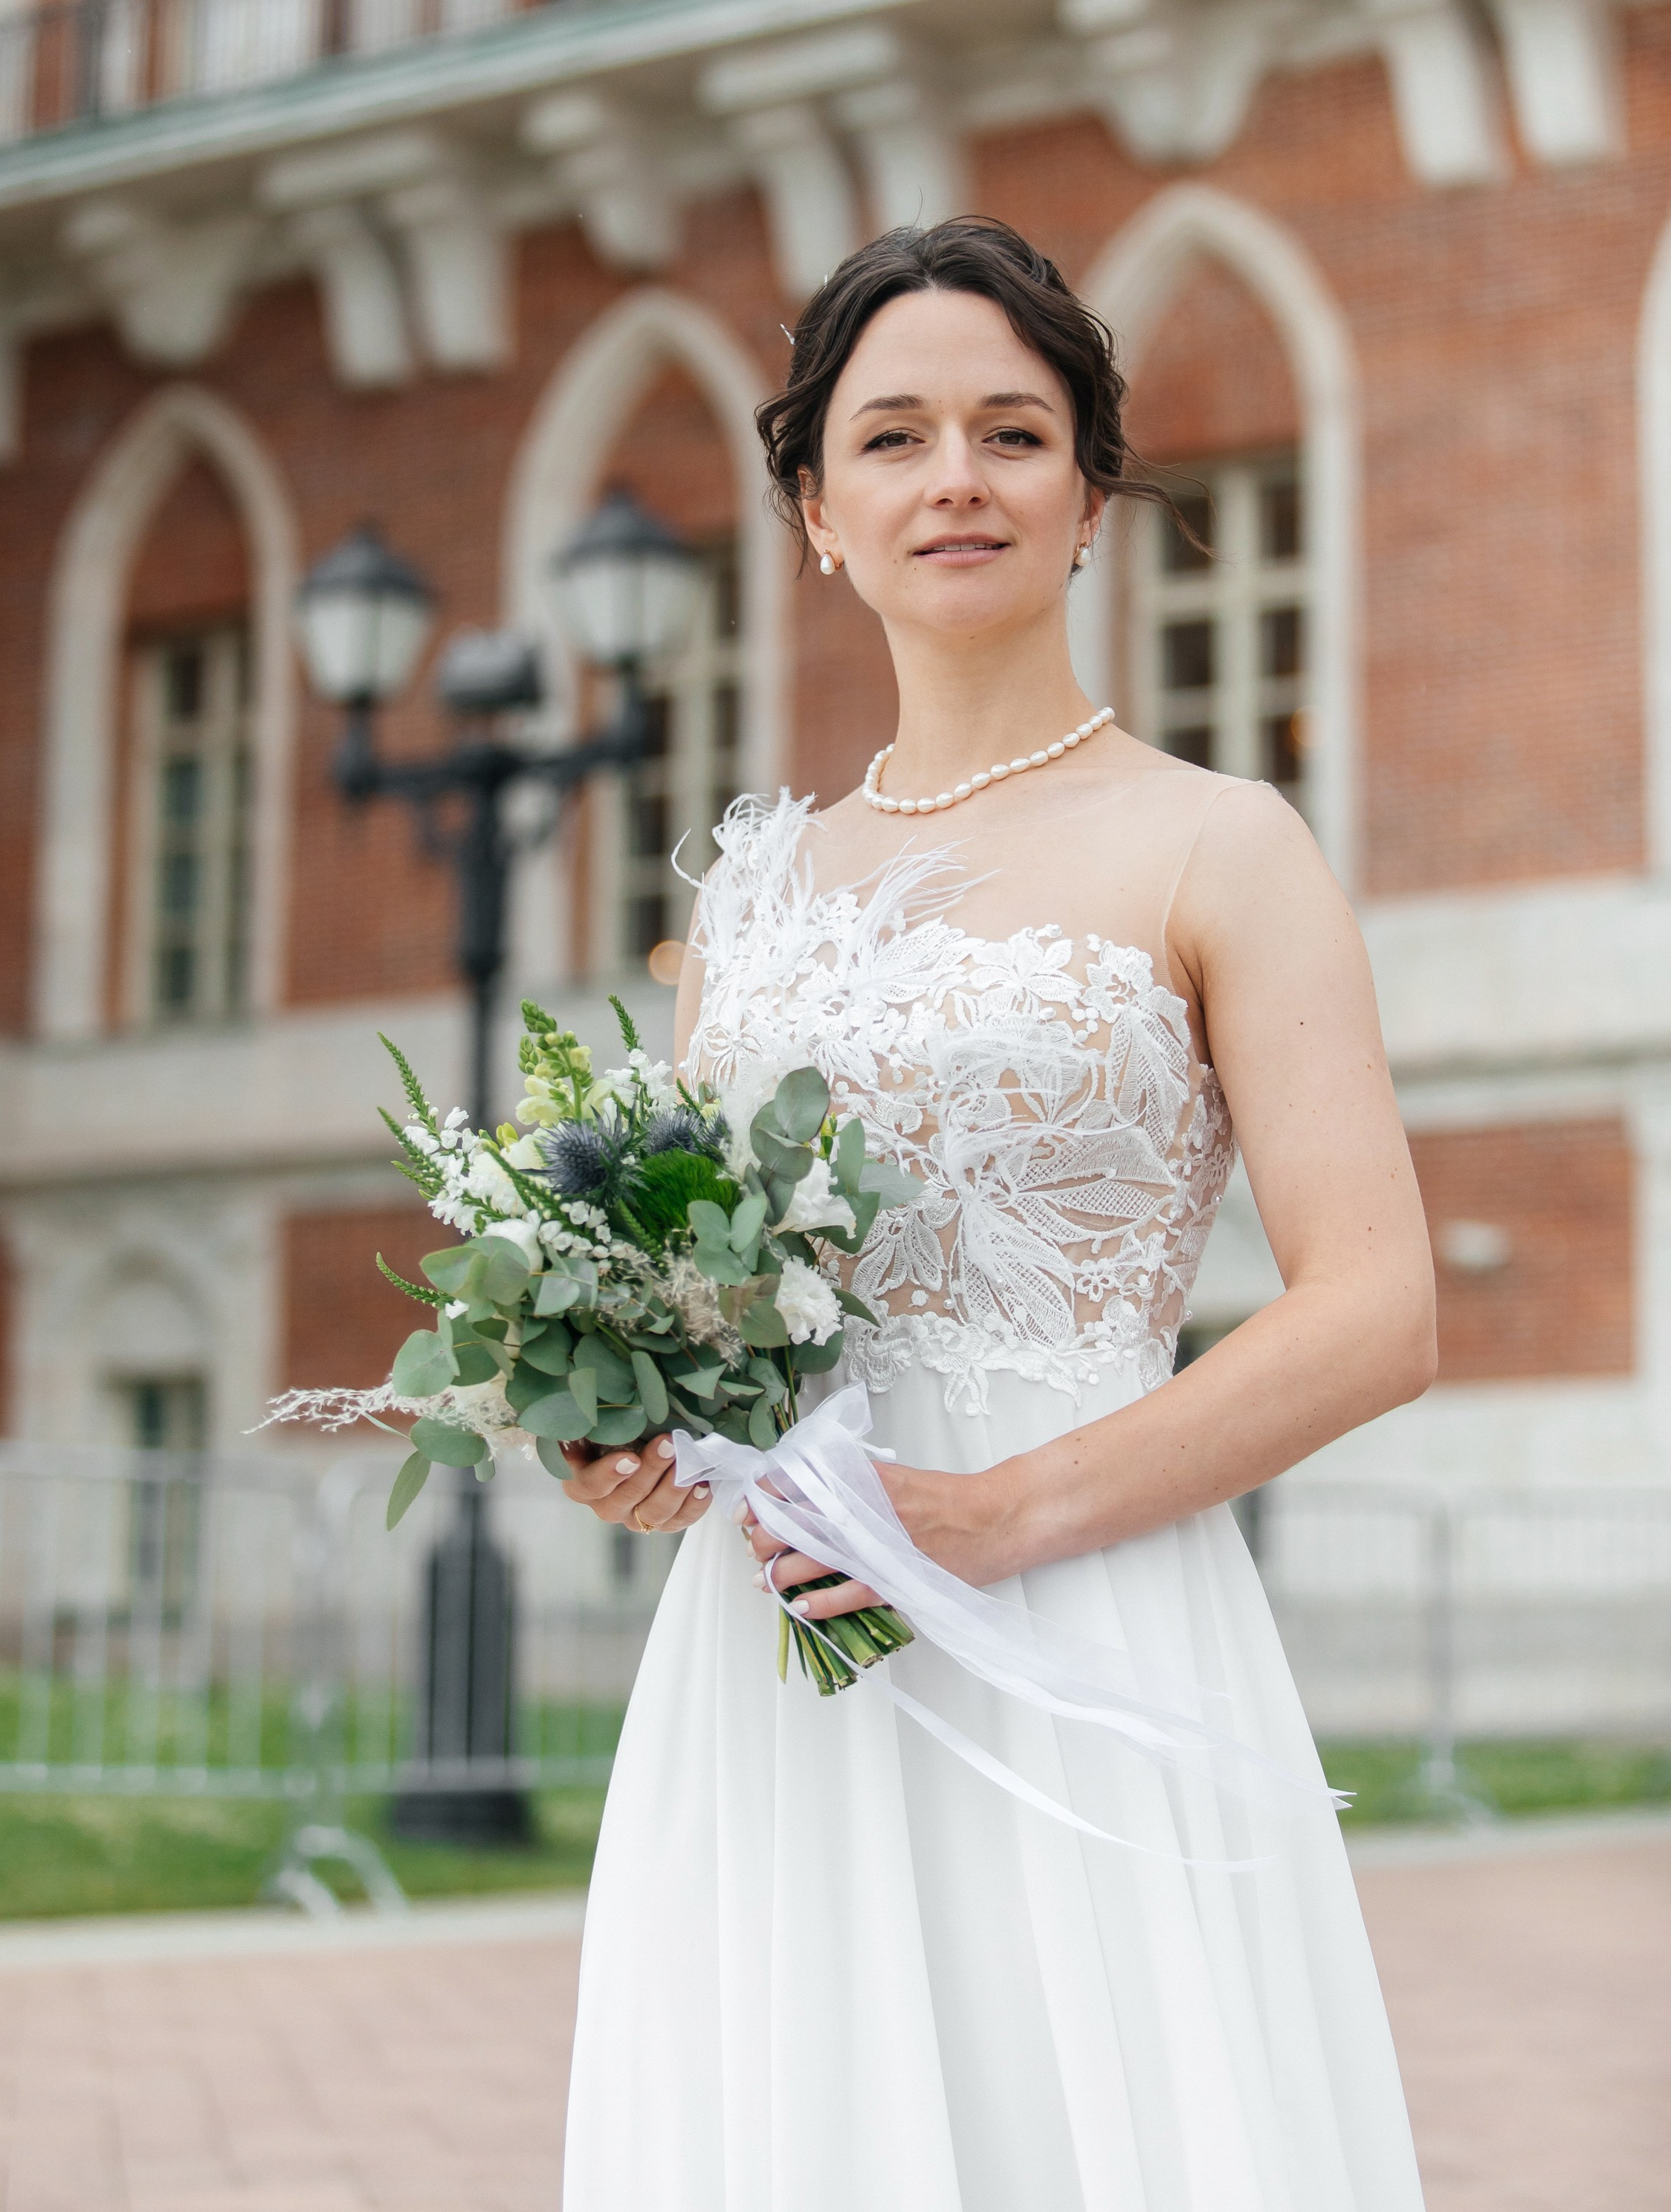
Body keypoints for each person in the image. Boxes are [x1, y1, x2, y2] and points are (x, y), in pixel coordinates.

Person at [559, 217, 1435, 2211]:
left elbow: (1380, 1307)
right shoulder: (748, 903)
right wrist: (626, 1442)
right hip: (783, 1654)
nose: (954, 473)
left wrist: (981, 1525)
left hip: (1085, 1600)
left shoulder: (1221, 840)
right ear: (814, 509)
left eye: (1012, 430)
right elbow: (710, 1314)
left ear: (1089, 495)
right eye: (893, 436)